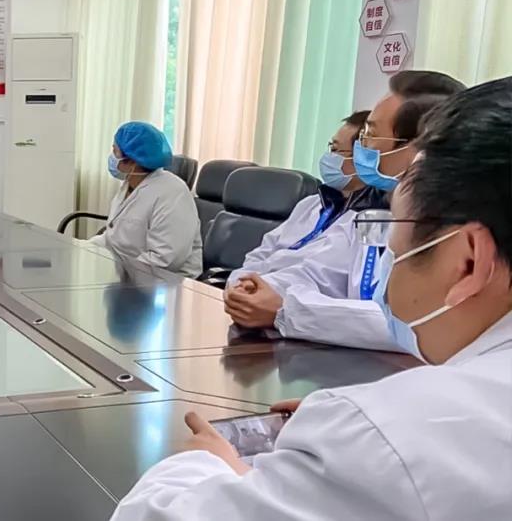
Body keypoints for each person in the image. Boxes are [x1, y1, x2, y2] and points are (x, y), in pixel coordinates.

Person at [111, 77, 512, 520]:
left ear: (468, 262)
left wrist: (208, 462)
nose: (389, 271)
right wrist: (349, 431)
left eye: (396, 247)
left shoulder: (393, 438)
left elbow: (152, 514)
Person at [224, 71, 466, 350]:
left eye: (370, 134)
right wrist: (260, 288)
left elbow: (414, 324)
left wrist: (286, 310)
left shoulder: (456, 227)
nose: (363, 147)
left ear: (417, 148)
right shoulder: (376, 211)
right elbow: (320, 272)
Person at [224, 111, 374, 284]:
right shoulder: (311, 204)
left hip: (283, 295)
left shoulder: (366, 222)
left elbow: (318, 276)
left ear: (361, 160)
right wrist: (242, 280)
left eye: (335, 150)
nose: (328, 157)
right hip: (254, 289)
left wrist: (260, 286)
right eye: (330, 147)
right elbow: (264, 251)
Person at [88, 122, 203, 277]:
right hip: (130, 274)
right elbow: (113, 239)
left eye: (115, 151)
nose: (112, 158)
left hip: (167, 282)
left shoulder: (173, 192)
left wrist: (120, 274)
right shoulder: (131, 184)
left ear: (132, 161)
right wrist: (82, 248)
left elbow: (165, 260)